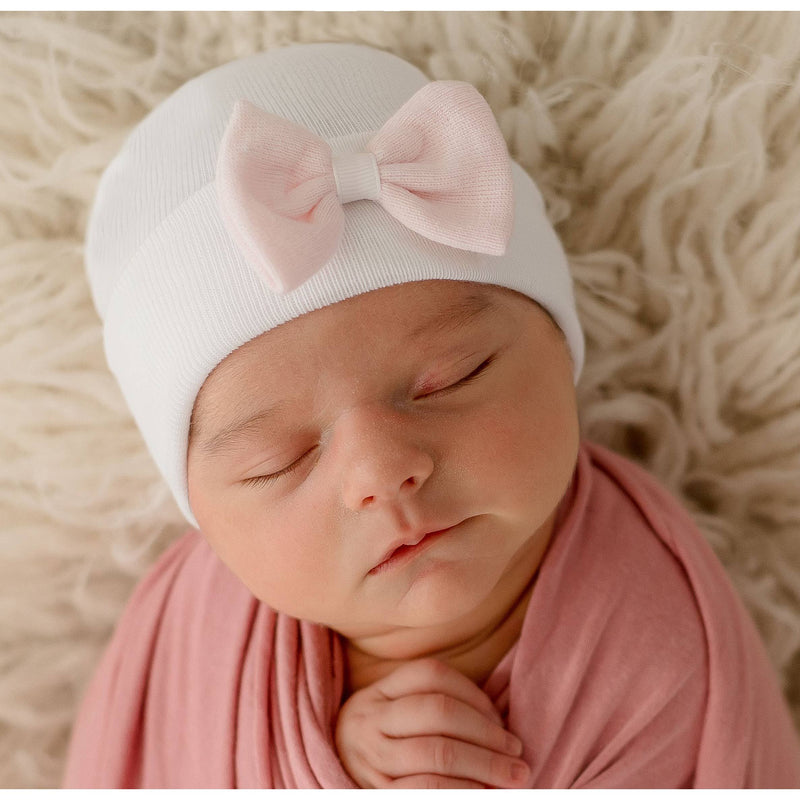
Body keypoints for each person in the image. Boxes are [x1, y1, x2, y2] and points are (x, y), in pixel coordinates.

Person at [61, 41, 800, 789]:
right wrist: (336, 758)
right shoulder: (196, 634)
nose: (381, 471)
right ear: (205, 519)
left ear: (560, 349)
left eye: (453, 379)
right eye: (277, 460)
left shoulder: (650, 640)